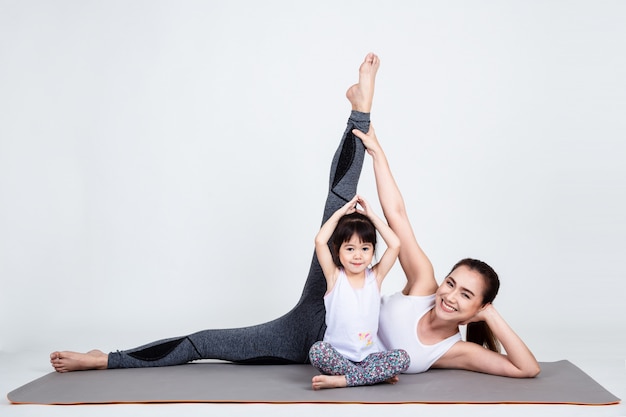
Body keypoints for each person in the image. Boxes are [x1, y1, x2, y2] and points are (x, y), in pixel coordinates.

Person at [50, 52, 381, 373]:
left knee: (202, 343)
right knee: (202, 342)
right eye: (357, 249)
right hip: (303, 323)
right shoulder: (354, 272)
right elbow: (384, 238)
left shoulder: (421, 340)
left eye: (363, 249)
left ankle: (107, 359)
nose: (358, 253)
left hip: (312, 347)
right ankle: (107, 359)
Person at [350, 124, 541, 378]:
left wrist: (490, 314)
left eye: (466, 295)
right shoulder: (424, 286)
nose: (450, 297)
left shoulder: (453, 351)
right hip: (329, 323)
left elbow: (528, 369)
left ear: (479, 307)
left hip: (344, 364)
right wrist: (377, 152)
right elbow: (397, 215)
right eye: (451, 284)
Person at [308, 195, 409, 389]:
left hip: (369, 357)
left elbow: (395, 244)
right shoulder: (334, 277)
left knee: (402, 358)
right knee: (317, 351)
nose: (357, 255)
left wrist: (371, 215)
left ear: (372, 251)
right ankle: (370, 377)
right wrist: (340, 213)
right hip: (338, 357)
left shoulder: (375, 277)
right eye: (350, 248)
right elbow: (320, 241)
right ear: (337, 251)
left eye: (365, 248)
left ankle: (345, 380)